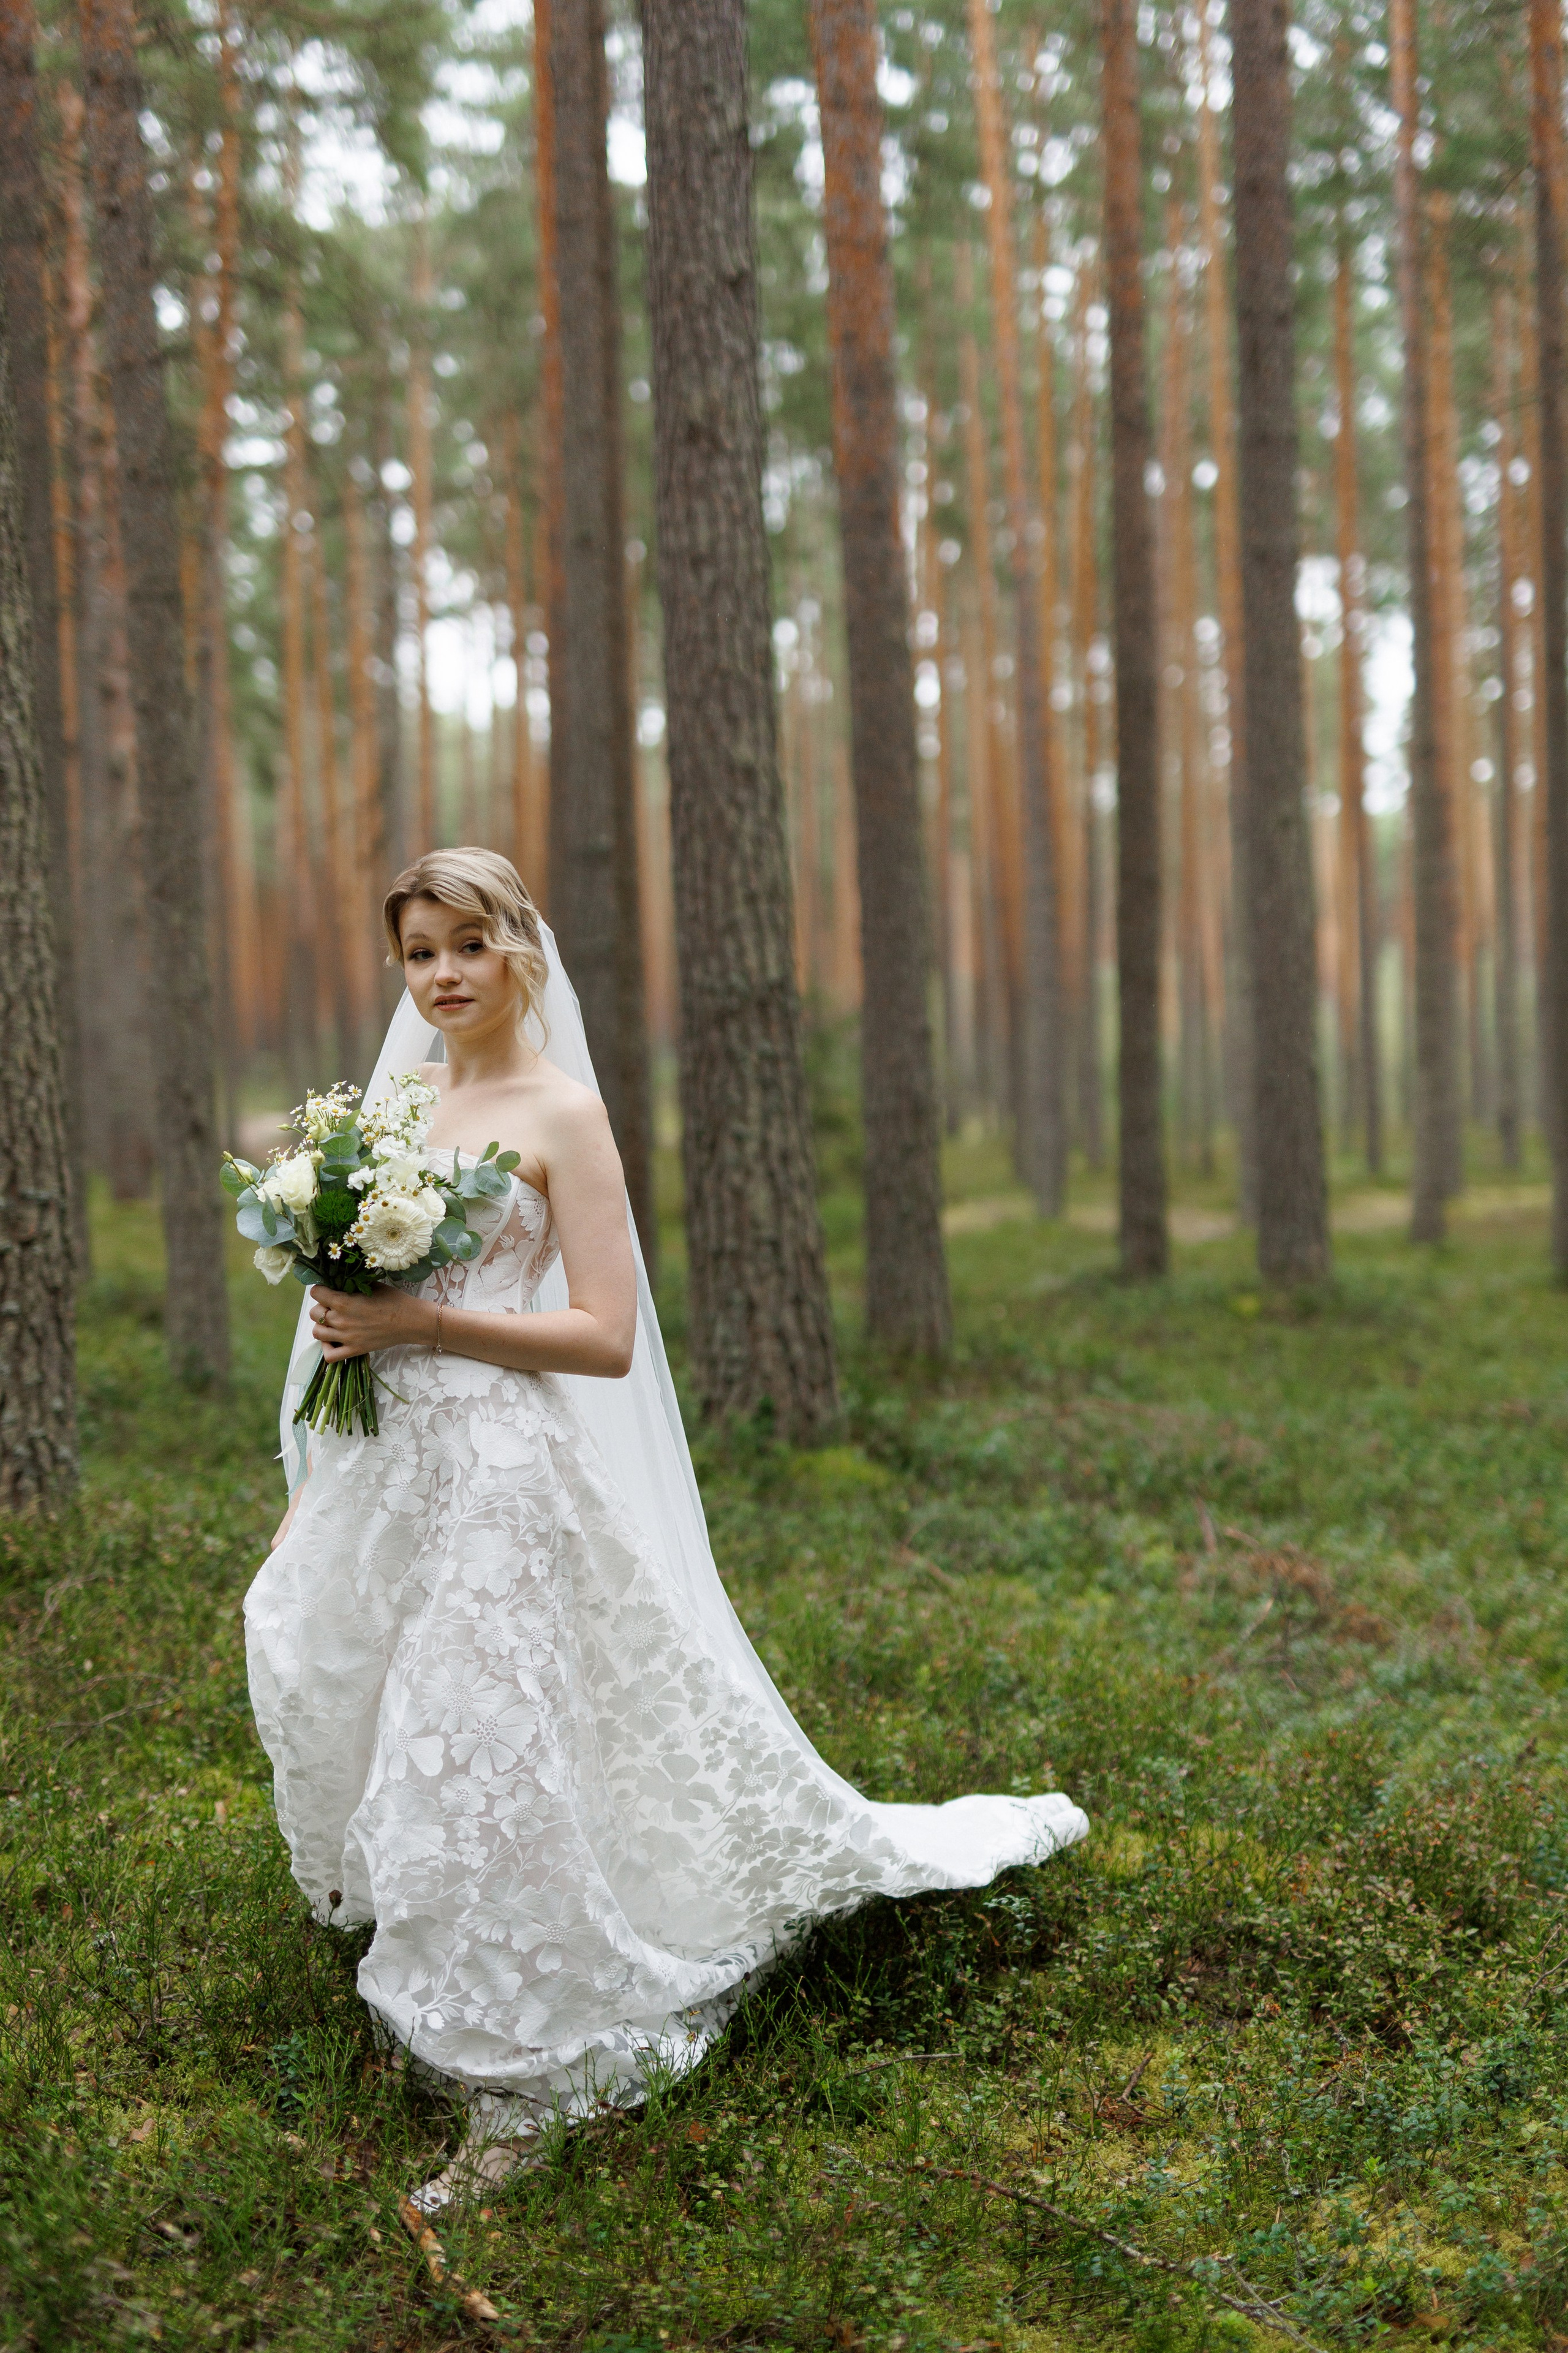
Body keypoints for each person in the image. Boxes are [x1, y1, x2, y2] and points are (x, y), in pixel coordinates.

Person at [246, 848, 1087, 2212]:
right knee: (399, 1722)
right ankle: (443, 1960)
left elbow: (602, 1333)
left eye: (468, 943)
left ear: (520, 947)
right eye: (418, 952)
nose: (444, 974)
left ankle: (521, 2073)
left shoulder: (563, 1115)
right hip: (392, 1471)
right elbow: (336, 1314)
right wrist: (321, 1450)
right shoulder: (390, 1107)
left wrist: (424, 1321)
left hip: (507, 1482)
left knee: (487, 1750)